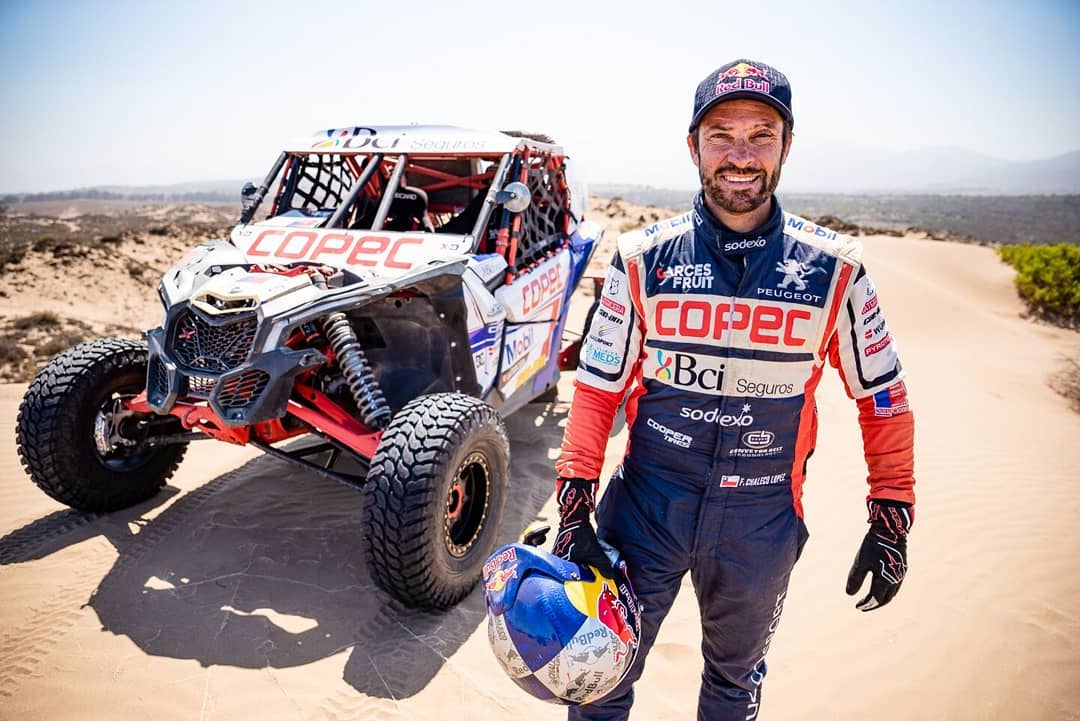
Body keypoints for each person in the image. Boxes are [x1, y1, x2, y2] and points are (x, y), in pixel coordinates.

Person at [552, 59, 915, 721]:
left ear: (787, 146)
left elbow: (883, 396)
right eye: (721, 135)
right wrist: (575, 494)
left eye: (762, 134)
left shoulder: (837, 268)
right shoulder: (640, 257)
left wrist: (892, 514)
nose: (741, 155)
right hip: (645, 508)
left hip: (761, 517)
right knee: (596, 673)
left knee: (734, 684)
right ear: (693, 146)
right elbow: (598, 389)